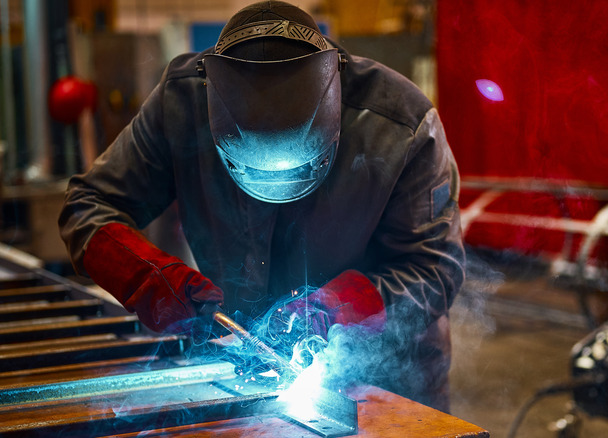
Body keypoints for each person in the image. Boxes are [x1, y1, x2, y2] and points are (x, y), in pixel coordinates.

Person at [58, 1, 464, 411]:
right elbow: (87, 205)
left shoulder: (402, 125)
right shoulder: (180, 103)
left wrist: (338, 306)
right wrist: (147, 277)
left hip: (388, 378)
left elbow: (435, 268)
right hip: (248, 371)